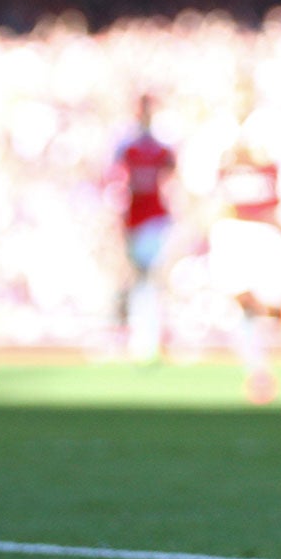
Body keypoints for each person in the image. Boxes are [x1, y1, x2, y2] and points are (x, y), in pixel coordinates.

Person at [208, 110, 281, 404]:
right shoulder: (227, 167)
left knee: (263, 310)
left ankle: (261, 367)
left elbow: (275, 207)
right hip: (237, 237)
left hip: (262, 240)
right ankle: (258, 371)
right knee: (242, 305)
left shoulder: (270, 168)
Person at [116, 95, 176, 363]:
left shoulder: (161, 148)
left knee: (152, 277)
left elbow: (173, 177)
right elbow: (117, 183)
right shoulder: (127, 148)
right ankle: (141, 338)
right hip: (135, 219)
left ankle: (151, 339)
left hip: (154, 218)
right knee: (139, 277)